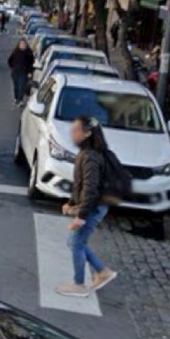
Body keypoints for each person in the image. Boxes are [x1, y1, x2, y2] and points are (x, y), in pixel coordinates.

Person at [56, 116, 118, 298]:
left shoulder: (90, 157)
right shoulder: (87, 153)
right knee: (76, 242)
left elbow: (90, 189)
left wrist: (80, 216)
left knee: (76, 243)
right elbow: (80, 185)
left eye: (76, 130)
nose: (71, 133)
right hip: (94, 206)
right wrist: (71, 202)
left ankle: (79, 284)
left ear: (87, 133)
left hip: (94, 207)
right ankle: (102, 272)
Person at [7, 38, 34, 106]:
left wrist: (30, 72)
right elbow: (10, 61)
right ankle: (16, 98)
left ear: (26, 45)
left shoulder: (29, 53)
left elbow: (31, 63)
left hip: (24, 72)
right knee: (16, 86)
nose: (23, 45)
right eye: (21, 44)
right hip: (15, 72)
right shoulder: (16, 52)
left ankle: (20, 100)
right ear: (19, 45)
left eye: (24, 44)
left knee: (21, 86)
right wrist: (13, 67)